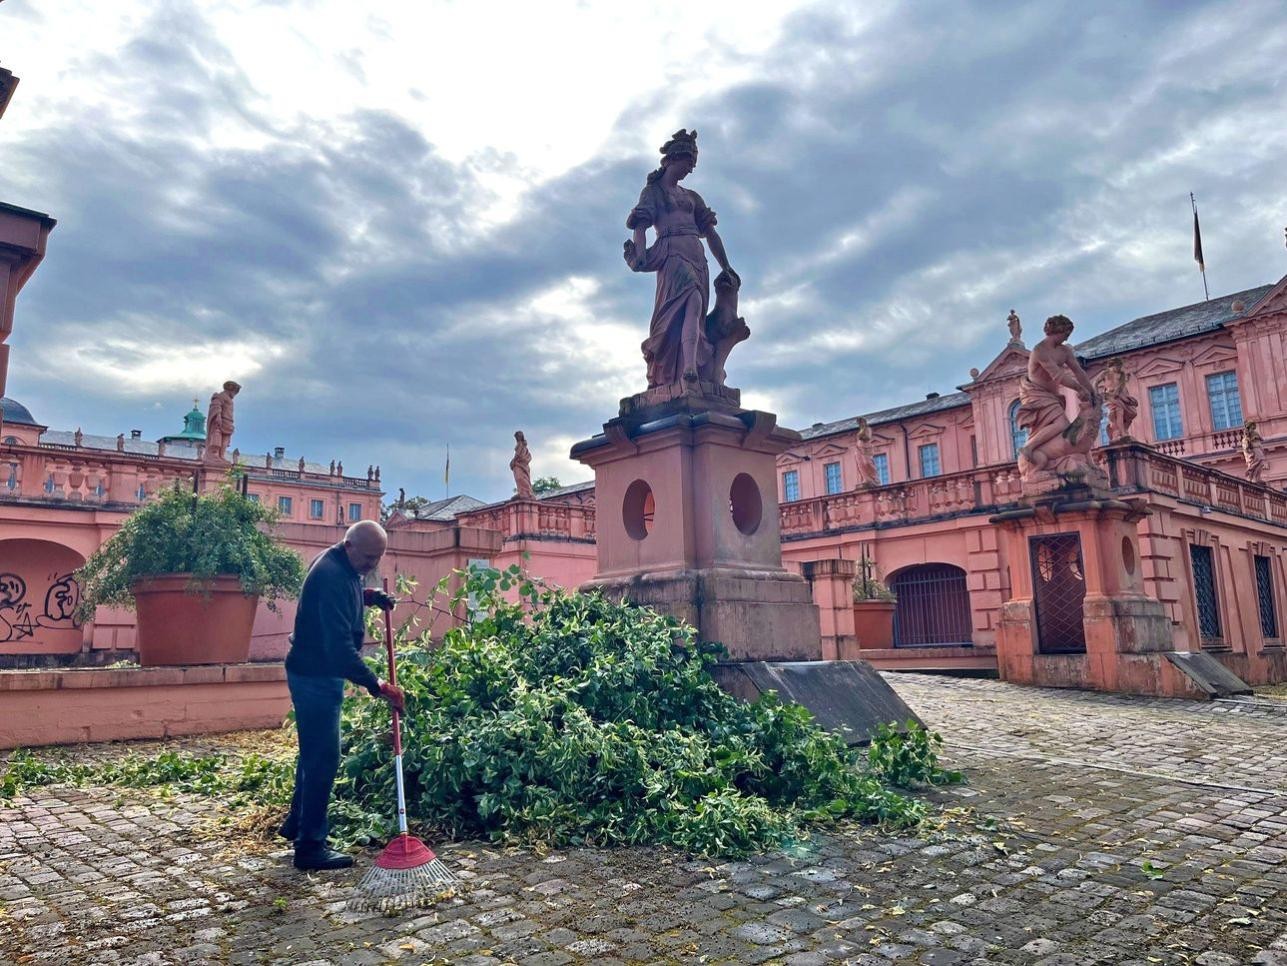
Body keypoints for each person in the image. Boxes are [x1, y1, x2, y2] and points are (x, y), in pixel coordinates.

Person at [280, 520, 405, 870]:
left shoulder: (342, 565)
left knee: (312, 755)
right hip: (316, 675)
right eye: (367, 558)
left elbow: (350, 590)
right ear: (349, 545)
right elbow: (339, 651)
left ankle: (297, 824)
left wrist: (370, 597)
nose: (371, 565)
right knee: (323, 759)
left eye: (377, 559)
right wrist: (378, 686)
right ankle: (310, 848)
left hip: (317, 672)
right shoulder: (331, 574)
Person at [624, 129, 739, 388]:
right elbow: (640, 227)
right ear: (675, 159)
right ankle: (688, 367)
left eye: (693, 166)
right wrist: (640, 255)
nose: (690, 170)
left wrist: (726, 266)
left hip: (697, 256)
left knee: (695, 313)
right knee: (693, 300)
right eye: (688, 163)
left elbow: (710, 233)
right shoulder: (653, 192)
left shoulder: (692, 196)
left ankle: (690, 368)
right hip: (671, 252)